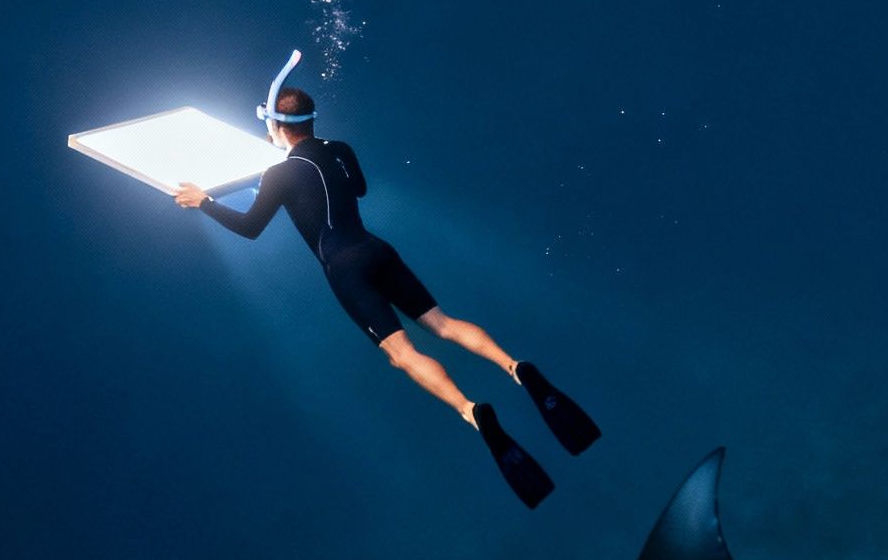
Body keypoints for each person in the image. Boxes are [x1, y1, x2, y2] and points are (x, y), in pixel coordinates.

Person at [171, 54, 598, 507]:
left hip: (343, 266)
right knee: (444, 324)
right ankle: (515, 368)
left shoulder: (278, 174)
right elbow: (357, 189)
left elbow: (250, 228)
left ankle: (471, 411)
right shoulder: (340, 149)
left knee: (402, 354)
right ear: (310, 120)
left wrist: (204, 202)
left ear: (277, 126)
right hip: (376, 248)